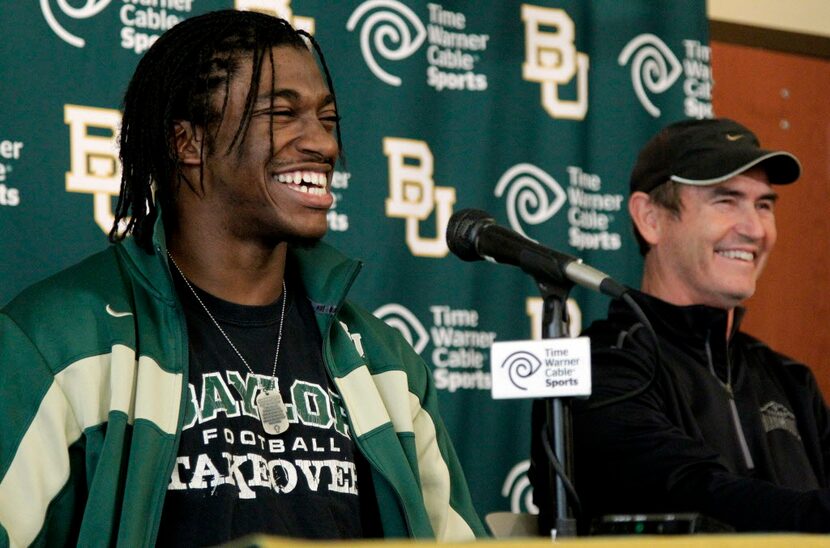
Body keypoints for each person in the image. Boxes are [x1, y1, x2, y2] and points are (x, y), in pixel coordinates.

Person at [0, 10, 485, 546]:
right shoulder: (58, 339)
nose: (324, 145)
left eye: (327, 119)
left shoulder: (383, 360)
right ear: (189, 143)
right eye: (282, 114)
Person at [530, 118, 830, 534]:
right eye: (726, 201)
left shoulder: (790, 381)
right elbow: (695, 499)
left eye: (764, 205)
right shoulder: (596, 369)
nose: (755, 229)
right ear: (650, 217)